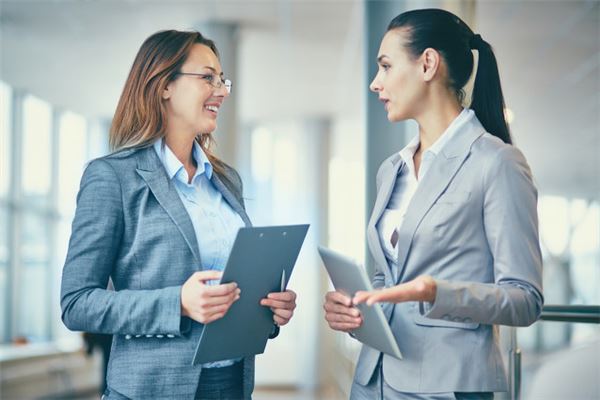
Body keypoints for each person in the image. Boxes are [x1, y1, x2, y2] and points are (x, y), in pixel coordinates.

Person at [60, 30, 297, 400]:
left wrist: (268, 310)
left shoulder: (225, 180)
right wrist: (178, 304)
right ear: (164, 85)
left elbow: (229, 285)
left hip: (232, 384)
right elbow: (76, 304)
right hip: (151, 389)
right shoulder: (112, 177)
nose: (221, 90)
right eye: (207, 78)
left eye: (223, 80)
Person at [323, 8, 543, 399]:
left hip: (448, 385)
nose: (376, 83)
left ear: (427, 64)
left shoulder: (497, 163)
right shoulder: (392, 170)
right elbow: (388, 279)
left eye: (386, 66)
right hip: (374, 381)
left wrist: (435, 292)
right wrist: (357, 309)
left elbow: (524, 299)